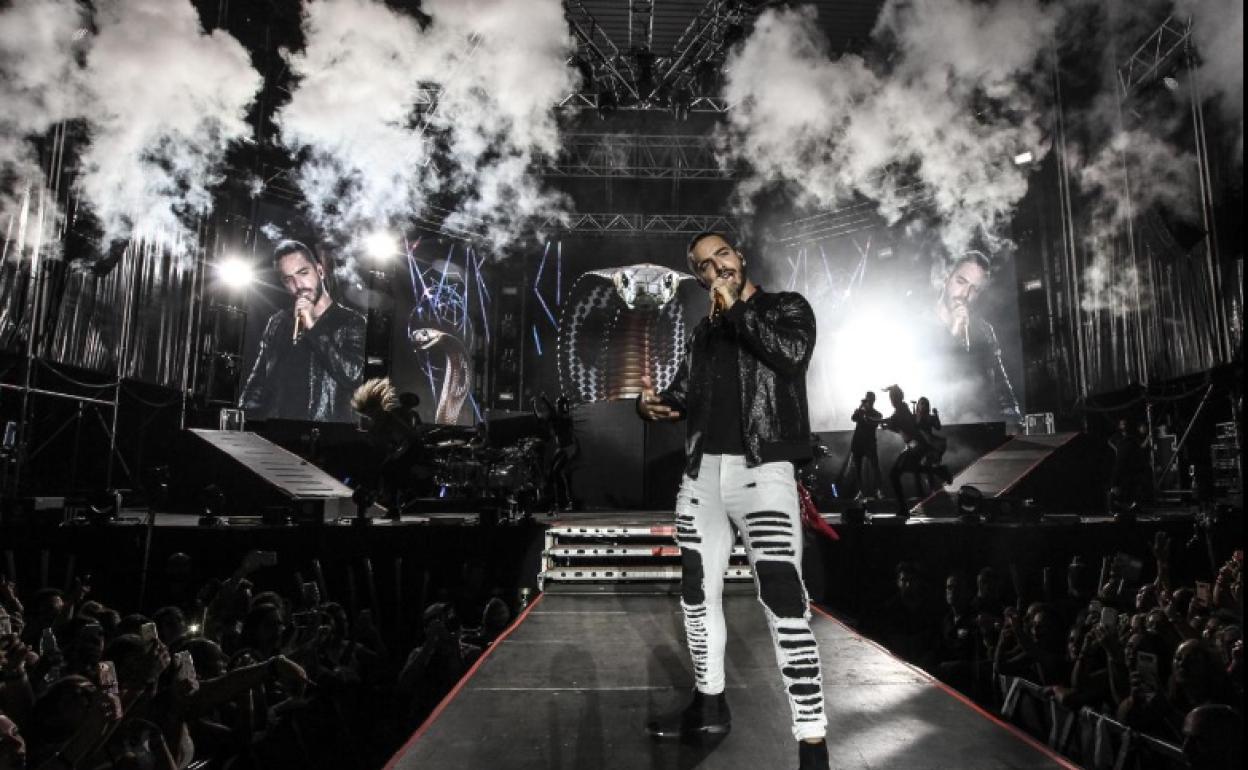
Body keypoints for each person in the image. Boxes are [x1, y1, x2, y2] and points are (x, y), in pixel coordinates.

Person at [636, 231, 829, 770]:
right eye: (702, 266)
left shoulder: (786, 308)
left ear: (740, 258)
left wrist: (736, 311)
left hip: (762, 469)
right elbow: (681, 394)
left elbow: (789, 356)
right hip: (702, 476)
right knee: (697, 596)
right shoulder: (704, 332)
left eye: (720, 256)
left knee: (784, 600)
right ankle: (709, 703)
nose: (713, 268)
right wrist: (649, 407)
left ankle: (812, 740)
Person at [239, 240, 366, 422]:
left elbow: (354, 375)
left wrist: (313, 327)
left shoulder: (351, 322)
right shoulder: (278, 322)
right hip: (279, 435)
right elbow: (258, 383)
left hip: (326, 438)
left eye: (303, 273)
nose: (298, 285)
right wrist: (242, 420)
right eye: (288, 279)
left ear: (320, 271)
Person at [925, 252, 1021, 424]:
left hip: (976, 426)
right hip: (937, 428)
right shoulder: (917, 323)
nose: (965, 294)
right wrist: (953, 332)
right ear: (946, 278)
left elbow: (1001, 386)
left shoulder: (983, 330)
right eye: (961, 282)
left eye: (974, 289)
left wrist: (1013, 420)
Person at [882, 385, 924, 518]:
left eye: (892, 397)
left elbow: (898, 424)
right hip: (913, 445)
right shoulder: (901, 410)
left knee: (894, 474)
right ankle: (904, 508)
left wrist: (886, 424)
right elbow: (899, 427)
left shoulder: (901, 410)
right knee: (897, 473)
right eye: (890, 397)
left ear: (896, 398)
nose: (891, 400)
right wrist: (888, 425)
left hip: (914, 445)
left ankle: (904, 509)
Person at [843, 391, 883, 499]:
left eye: (870, 399)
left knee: (875, 468)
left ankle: (878, 490)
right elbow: (853, 418)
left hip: (869, 444)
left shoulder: (877, 414)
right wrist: (861, 407)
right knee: (858, 468)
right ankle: (860, 491)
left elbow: (873, 424)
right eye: (867, 399)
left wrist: (863, 414)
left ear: (874, 400)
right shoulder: (860, 411)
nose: (868, 401)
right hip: (858, 443)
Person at [914, 397, 951, 492]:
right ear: (918, 405)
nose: (923, 406)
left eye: (925, 404)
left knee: (928, 465)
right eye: (921, 404)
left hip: (929, 444)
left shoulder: (929, 417)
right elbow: (915, 425)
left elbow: (938, 427)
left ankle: (933, 487)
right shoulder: (916, 416)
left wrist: (936, 415)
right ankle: (936, 480)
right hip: (919, 444)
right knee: (924, 467)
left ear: (927, 406)